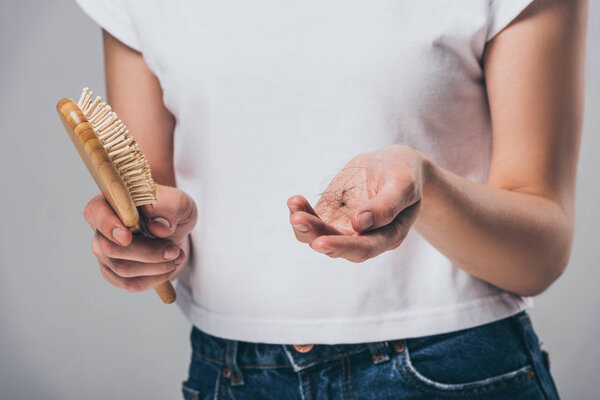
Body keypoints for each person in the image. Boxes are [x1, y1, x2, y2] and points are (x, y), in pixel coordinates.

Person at [77, 0, 588, 398]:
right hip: (228, 375)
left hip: (449, 368)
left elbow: (539, 256)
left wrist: (425, 187)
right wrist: (143, 238)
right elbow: (148, 190)